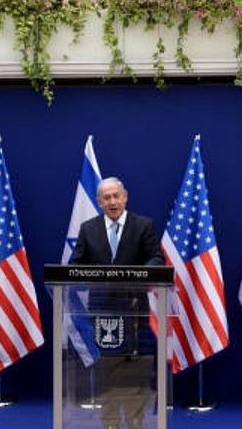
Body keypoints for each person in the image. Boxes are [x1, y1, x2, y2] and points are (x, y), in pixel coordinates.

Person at [71, 177, 165, 429]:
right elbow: (75, 266)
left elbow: (156, 258)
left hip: (135, 310)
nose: (112, 201)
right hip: (104, 311)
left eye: (116, 196)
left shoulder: (143, 225)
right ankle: (110, 422)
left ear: (125, 196)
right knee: (109, 370)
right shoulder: (88, 229)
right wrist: (98, 274)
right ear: (99, 202)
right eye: (106, 198)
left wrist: (136, 275)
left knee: (136, 371)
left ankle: (135, 422)